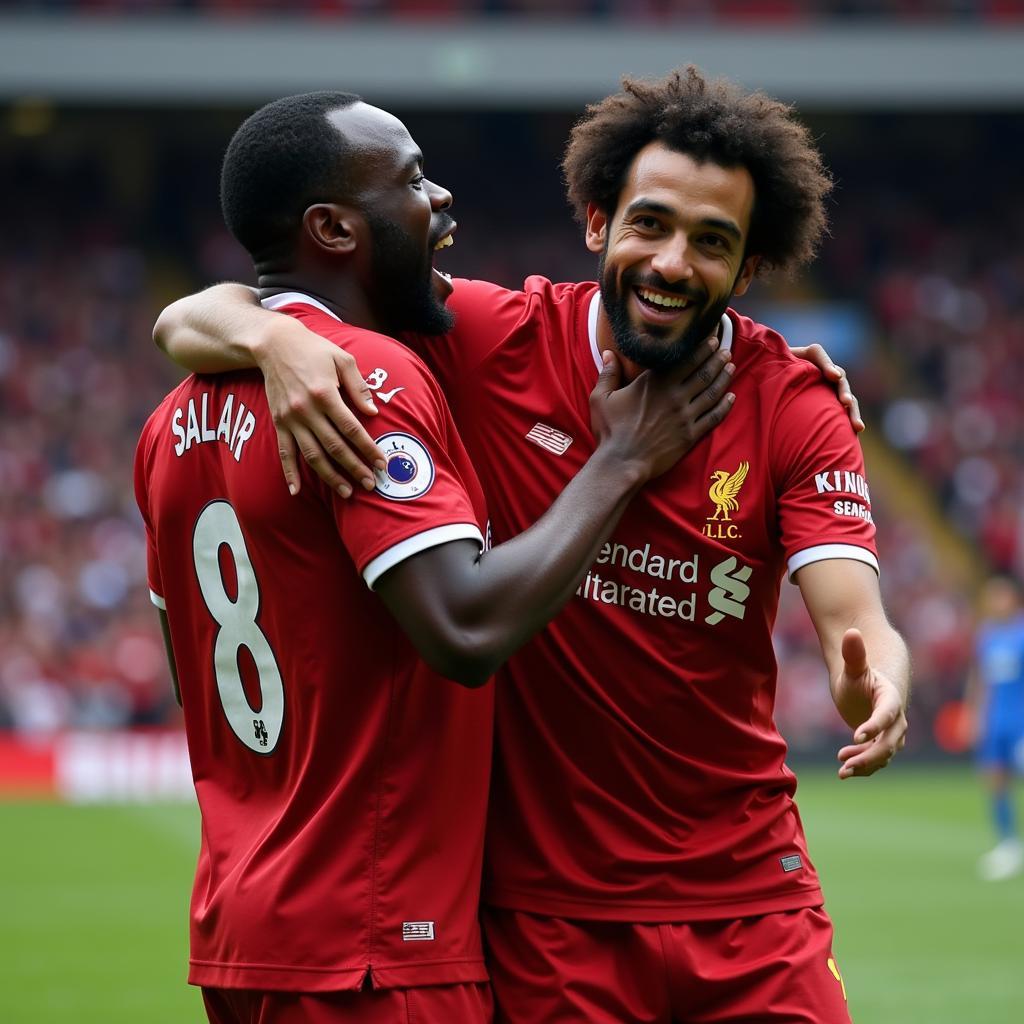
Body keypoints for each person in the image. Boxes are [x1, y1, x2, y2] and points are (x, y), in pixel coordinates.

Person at [154, 69, 910, 1023]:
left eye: (712, 244)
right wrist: (271, 339)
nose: (674, 262)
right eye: (651, 224)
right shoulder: (481, 338)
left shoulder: (791, 400)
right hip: (545, 920)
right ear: (598, 222)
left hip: (752, 901)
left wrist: (876, 675)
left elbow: (856, 614)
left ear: (748, 270)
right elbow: (201, 309)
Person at [967, 575, 1024, 881]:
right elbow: (980, 680)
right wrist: (975, 715)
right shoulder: (987, 635)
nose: (994, 602)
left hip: (1021, 724)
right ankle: (1008, 845)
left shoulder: (1021, 633)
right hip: (995, 722)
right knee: (996, 781)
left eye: (1000, 595)